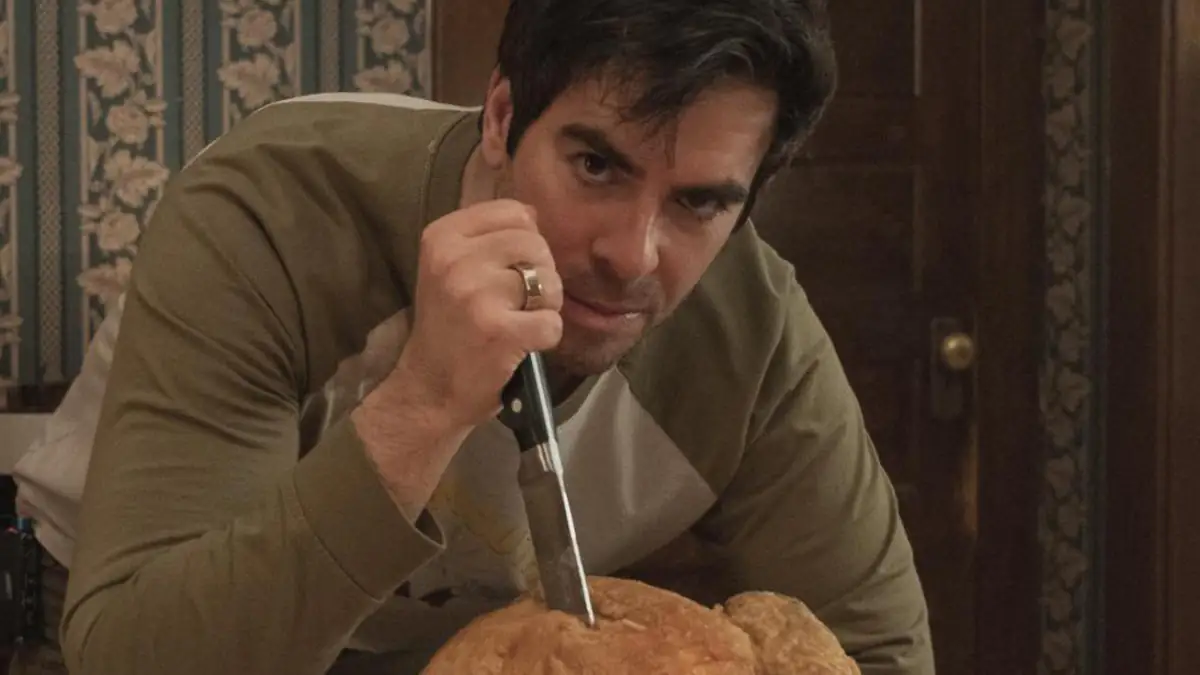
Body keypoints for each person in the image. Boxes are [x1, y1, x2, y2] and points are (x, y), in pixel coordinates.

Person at [10, 0, 935, 673]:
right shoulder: (267, 215)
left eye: (699, 202)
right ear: (500, 116)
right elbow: (140, 653)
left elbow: (878, 652)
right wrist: (421, 406)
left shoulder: (758, 337)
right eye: (596, 164)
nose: (631, 254)